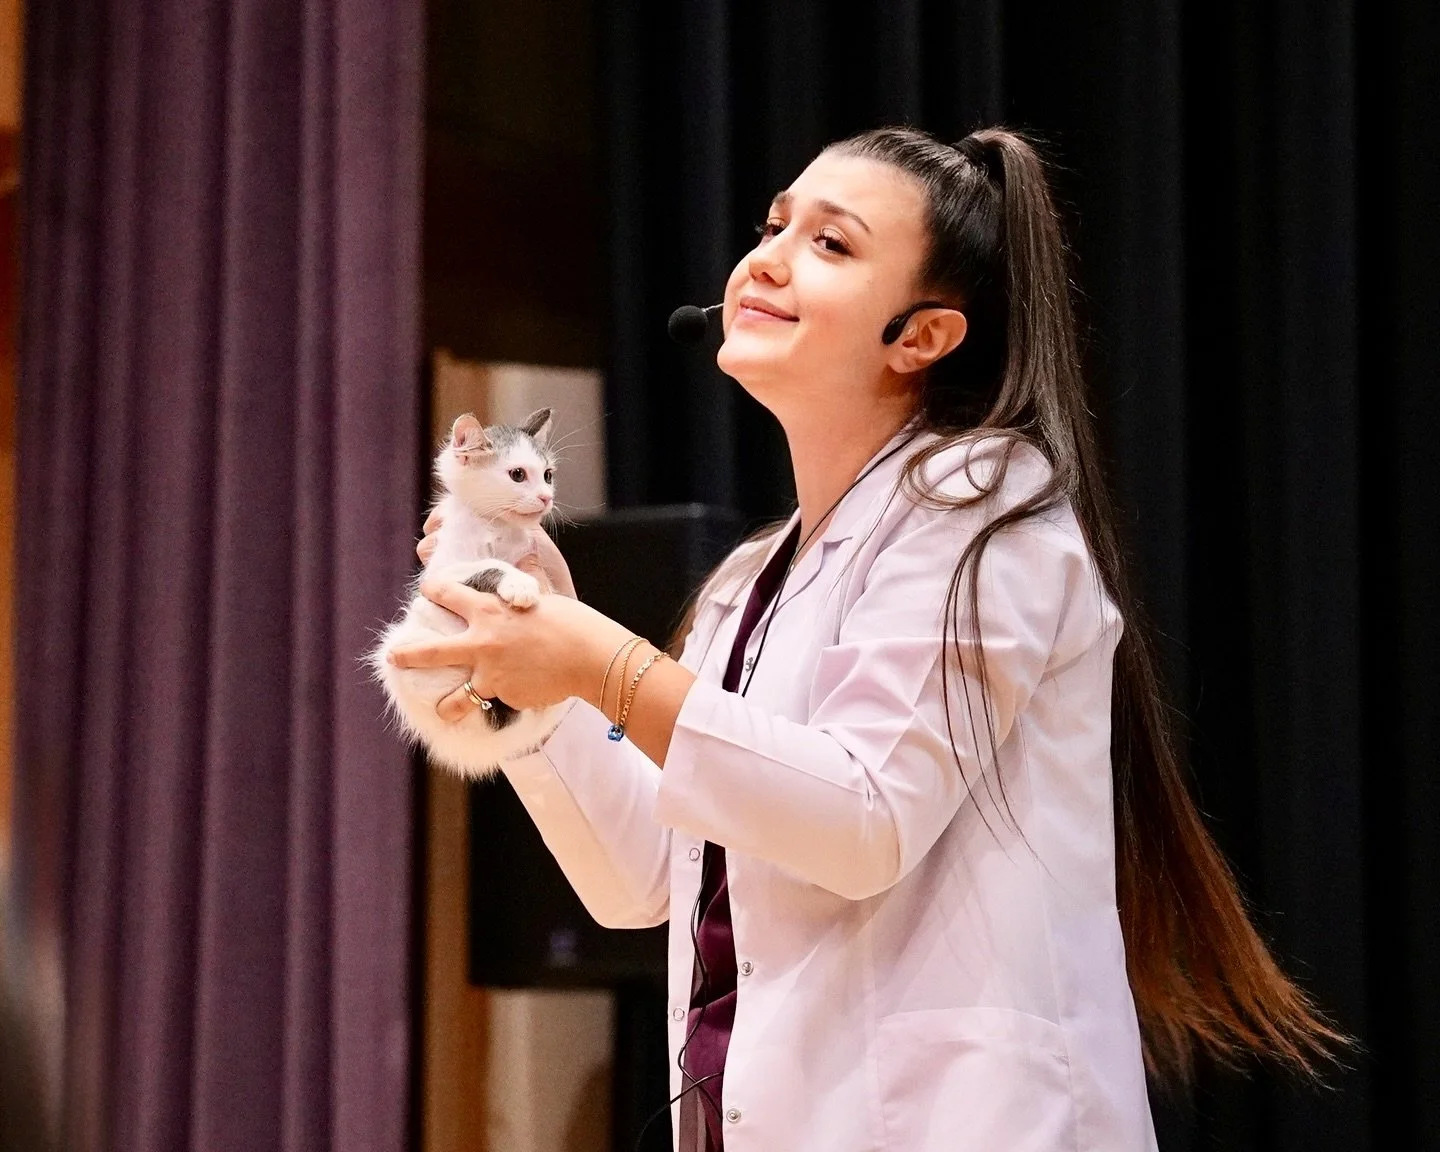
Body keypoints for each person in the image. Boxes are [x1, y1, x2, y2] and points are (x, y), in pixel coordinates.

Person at [390, 126, 1344, 1152]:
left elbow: (862, 819)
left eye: (831, 244)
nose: (766, 256)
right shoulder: (750, 580)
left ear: (922, 336)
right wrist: (537, 662)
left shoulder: (987, 504)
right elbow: (638, 882)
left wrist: (596, 659)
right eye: (772, 225)